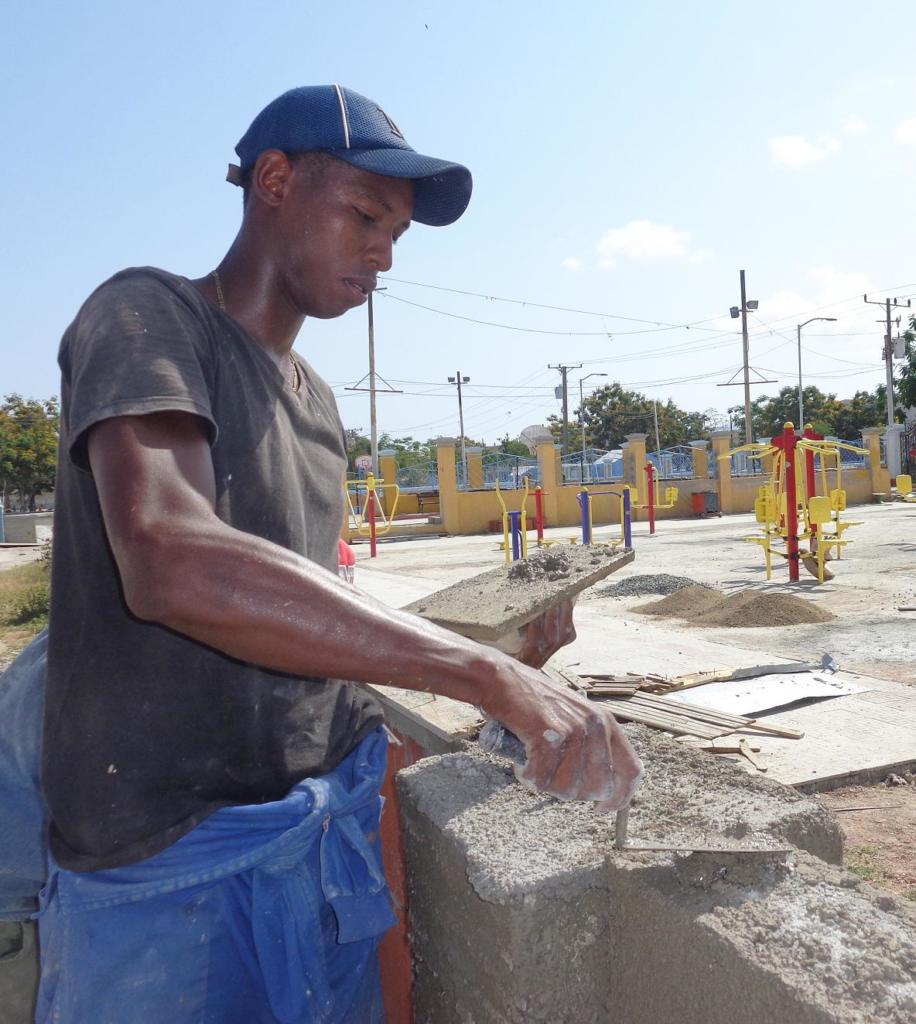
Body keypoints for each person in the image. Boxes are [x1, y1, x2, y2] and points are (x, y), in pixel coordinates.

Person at [36, 85, 642, 1023]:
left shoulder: (317, 405)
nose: (384, 254)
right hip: (165, 869)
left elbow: (307, 613)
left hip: (320, 846)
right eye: (366, 216)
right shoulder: (150, 318)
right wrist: (477, 673)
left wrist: (505, 663)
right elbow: (172, 557)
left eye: (397, 233)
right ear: (274, 180)